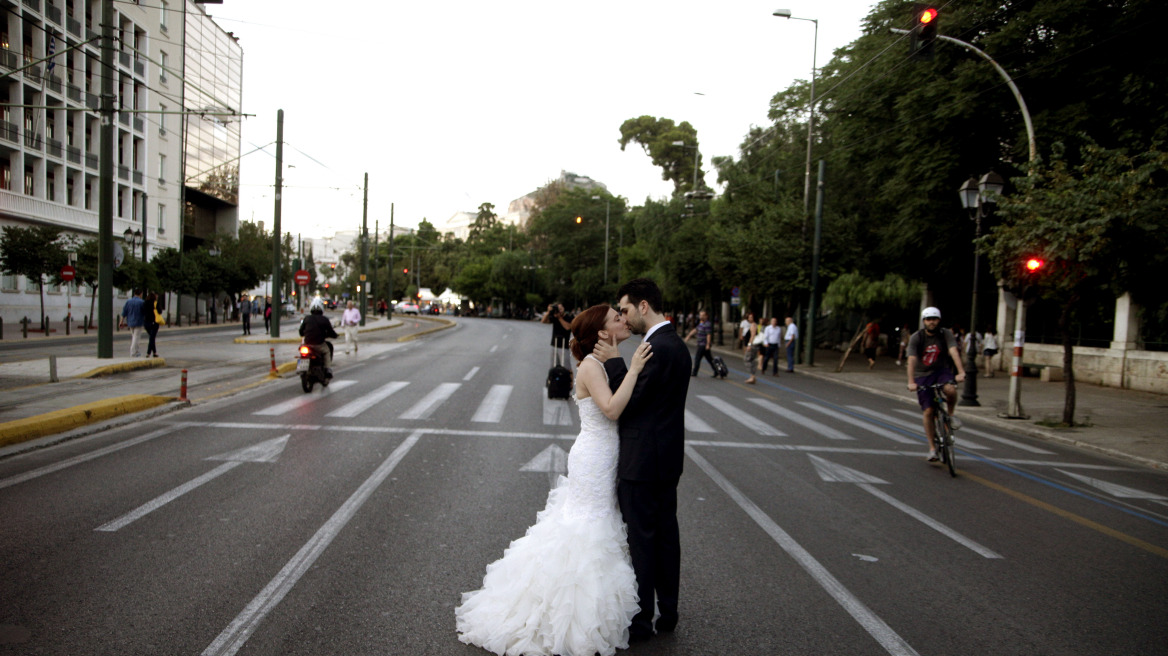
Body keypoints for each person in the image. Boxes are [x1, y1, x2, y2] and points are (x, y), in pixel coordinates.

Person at [456, 304, 653, 656]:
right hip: (594, 457)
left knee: (597, 524)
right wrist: (635, 369)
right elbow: (610, 409)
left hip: (605, 455)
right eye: (615, 318)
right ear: (603, 333)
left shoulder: (603, 362)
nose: (623, 320)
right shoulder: (592, 367)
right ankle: (570, 610)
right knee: (588, 528)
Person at [601, 277, 692, 642]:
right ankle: (667, 610)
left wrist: (614, 362)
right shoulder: (678, 345)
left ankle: (640, 621)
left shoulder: (656, 348)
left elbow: (631, 402)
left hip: (643, 461)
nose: (623, 318)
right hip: (667, 459)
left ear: (642, 306)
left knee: (642, 542)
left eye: (624, 309)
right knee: (666, 538)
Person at [906, 307, 967, 462]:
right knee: (928, 411)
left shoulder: (945, 333)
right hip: (922, 375)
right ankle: (932, 448)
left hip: (941, 371)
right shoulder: (916, 337)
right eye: (928, 319)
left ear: (939, 320)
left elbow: (953, 351)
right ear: (924, 321)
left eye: (934, 319)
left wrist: (960, 371)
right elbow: (911, 360)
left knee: (951, 389)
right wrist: (911, 382)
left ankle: (951, 415)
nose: (931, 322)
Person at [299, 297, 338, 376]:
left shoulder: (307, 318)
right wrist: (335, 335)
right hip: (319, 344)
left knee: (301, 352)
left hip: (307, 344)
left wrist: (305, 334)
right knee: (327, 351)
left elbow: (300, 331)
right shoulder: (324, 319)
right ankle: (327, 369)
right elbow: (331, 331)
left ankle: (300, 367)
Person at [684, 309, 716, 377]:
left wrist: (708, 344)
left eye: (703, 315)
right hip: (701, 344)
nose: (701, 316)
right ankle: (716, 370)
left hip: (703, 345)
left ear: (707, 316)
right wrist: (688, 336)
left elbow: (708, 335)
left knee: (697, 358)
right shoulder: (701, 323)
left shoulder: (707, 324)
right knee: (709, 359)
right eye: (700, 315)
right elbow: (695, 330)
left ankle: (694, 372)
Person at [120, 289, 145, 358]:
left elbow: (124, 312)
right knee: (136, 337)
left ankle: (136, 351)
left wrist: (121, 321)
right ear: (140, 294)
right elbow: (145, 312)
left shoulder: (128, 301)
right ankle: (133, 352)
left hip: (130, 322)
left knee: (134, 336)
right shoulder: (142, 302)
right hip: (139, 321)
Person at [743, 312, 761, 384]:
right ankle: (752, 376)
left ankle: (752, 376)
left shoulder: (753, 325)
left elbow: (752, 335)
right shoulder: (754, 325)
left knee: (747, 359)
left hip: (752, 345)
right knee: (751, 360)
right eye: (749, 317)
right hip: (754, 345)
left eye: (751, 317)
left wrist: (749, 344)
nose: (749, 318)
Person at [142, 292, 160, 358]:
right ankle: (148, 353)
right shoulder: (155, 303)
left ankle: (154, 352)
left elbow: (143, 312)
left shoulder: (144, 303)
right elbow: (160, 311)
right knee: (152, 338)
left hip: (146, 323)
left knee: (151, 337)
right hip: (154, 322)